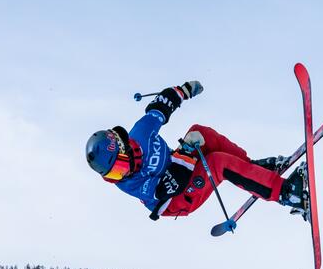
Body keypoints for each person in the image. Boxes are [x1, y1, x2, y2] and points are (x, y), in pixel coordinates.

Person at [85, 80, 306, 220]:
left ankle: (253, 170)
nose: (121, 175)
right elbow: (171, 185)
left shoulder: (141, 133)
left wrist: (183, 91)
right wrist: (188, 150)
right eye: (113, 175)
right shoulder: (128, 184)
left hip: (177, 166)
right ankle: (287, 194)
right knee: (217, 163)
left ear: (123, 145)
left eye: (120, 167)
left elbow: (161, 106)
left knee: (201, 132)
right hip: (176, 200)